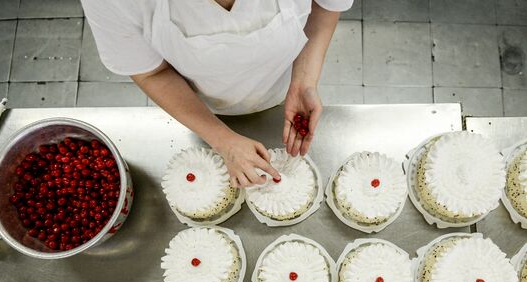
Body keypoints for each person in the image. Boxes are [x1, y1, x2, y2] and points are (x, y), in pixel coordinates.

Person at [81, 0, 354, 187]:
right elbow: (152, 73)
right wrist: (222, 139)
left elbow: (325, 5)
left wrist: (305, 79)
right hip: (199, 101)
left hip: (284, 83)